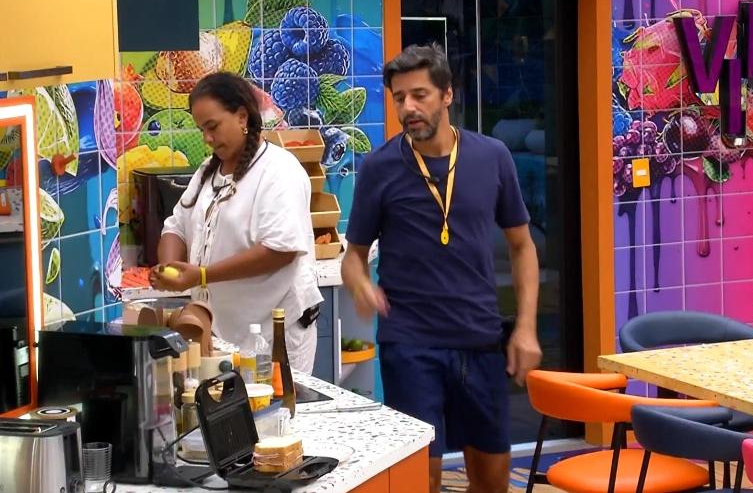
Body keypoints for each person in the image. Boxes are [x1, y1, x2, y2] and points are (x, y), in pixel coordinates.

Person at [341, 44, 542, 493]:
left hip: (480, 338)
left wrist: (526, 328)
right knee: (420, 480)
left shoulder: (492, 156)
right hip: (410, 344)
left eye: (420, 95)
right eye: (399, 98)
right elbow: (353, 256)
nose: (408, 108)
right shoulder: (379, 167)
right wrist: (361, 285)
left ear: (447, 94)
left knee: (491, 481)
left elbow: (522, 246)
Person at [150, 71, 323, 373]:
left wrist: (202, 275)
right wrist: (169, 267)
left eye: (213, 127)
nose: (207, 138)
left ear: (242, 117)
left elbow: (281, 250)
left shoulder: (279, 171)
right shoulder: (208, 171)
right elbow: (176, 227)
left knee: (275, 404)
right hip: (224, 332)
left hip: (274, 335)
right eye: (202, 129)